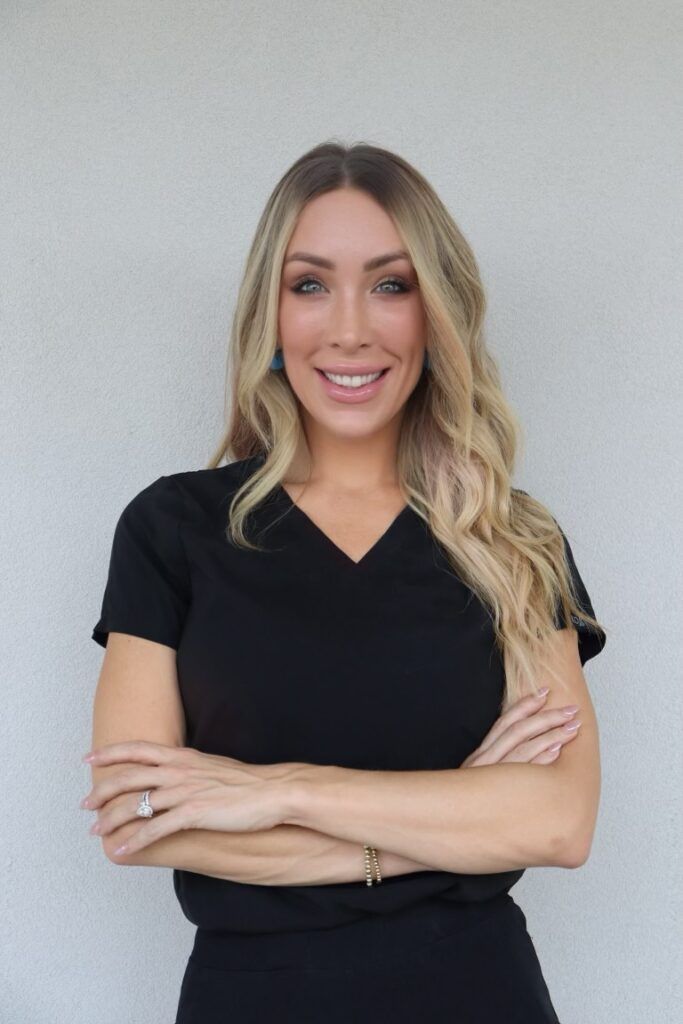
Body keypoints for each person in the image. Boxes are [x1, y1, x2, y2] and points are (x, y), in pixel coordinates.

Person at [84, 141, 607, 1023]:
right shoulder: (171, 529)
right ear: (270, 313)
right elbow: (136, 819)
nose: (351, 329)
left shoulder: (511, 538)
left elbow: (558, 822)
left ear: (436, 313)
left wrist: (277, 791)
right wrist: (450, 818)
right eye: (310, 284)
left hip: (477, 996)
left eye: (391, 284)